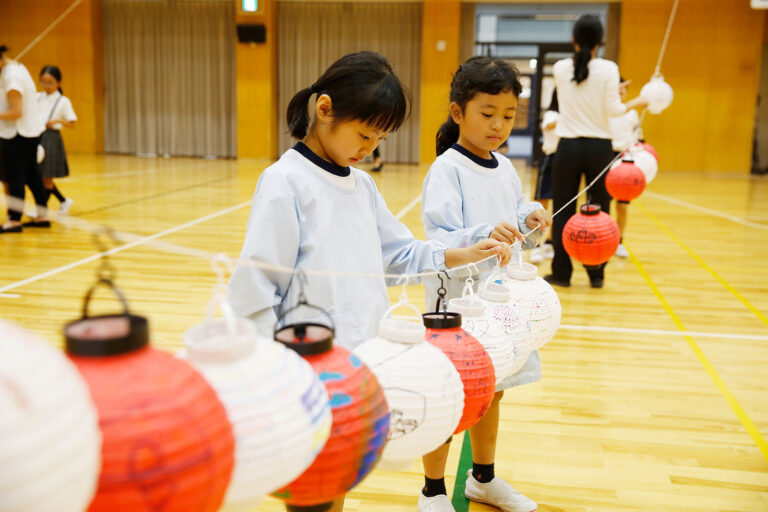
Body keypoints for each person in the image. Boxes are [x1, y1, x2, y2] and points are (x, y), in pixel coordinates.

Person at [227, 51, 512, 512]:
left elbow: (400, 253)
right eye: (364, 133)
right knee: (313, 491)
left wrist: (463, 253)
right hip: (307, 370)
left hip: (358, 367)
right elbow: (256, 288)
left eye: (379, 137)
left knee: (337, 478)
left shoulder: (361, 186)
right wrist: (268, 373)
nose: (370, 148)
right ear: (324, 109)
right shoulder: (285, 182)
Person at [418, 56, 552, 512]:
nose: (499, 125)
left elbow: (514, 220)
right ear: (458, 113)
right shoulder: (447, 169)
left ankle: (483, 478)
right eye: (487, 114)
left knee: (492, 387)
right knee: (448, 391)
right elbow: (439, 238)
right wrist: (482, 235)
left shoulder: (505, 166)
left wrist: (529, 220)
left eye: (509, 116)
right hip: (457, 301)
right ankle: (432, 489)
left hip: (498, 301)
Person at [547, 15, 647, 288]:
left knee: (562, 211)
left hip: (567, 148)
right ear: (600, 42)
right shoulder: (609, 68)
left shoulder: (559, 67)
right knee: (599, 211)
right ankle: (597, 274)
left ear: (574, 40)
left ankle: (561, 274)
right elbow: (613, 109)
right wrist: (638, 100)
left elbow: (580, 91)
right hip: (599, 150)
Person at [0, 44, 48, 233]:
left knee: (15, 177)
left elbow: (16, 111)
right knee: (32, 175)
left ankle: (14, 220)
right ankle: (42, 216)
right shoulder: (15, 67)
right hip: (30, 132)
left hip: (18, 133)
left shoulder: (11, 76)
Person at [609, 77, 641, 258]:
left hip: (625, 159)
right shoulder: (606, 111)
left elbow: (637, 137)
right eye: (617, 88)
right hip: (605, 156)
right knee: (601, 202)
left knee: (622, 204)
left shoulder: (632, 114)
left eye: (623, 89)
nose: (621, 92)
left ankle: (620, 241)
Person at [37, 65, 76, 213]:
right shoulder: (37, 97)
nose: (46, 86)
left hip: (52, 138)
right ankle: (63, 201)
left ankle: (41, 209)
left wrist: (57, 121)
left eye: (50, 82)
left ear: (58, 83)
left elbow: (72, 123)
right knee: (41, 176)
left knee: (46, 177)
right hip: (37, 136)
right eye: (43, 82)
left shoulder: (63, 101)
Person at [530, 89, 559, 264]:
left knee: (560, 203)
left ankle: (550, 242)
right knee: (542, 202)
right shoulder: (551, 114)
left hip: (566, 159)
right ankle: (536, 244)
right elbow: (548, 126)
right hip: (549, 158)